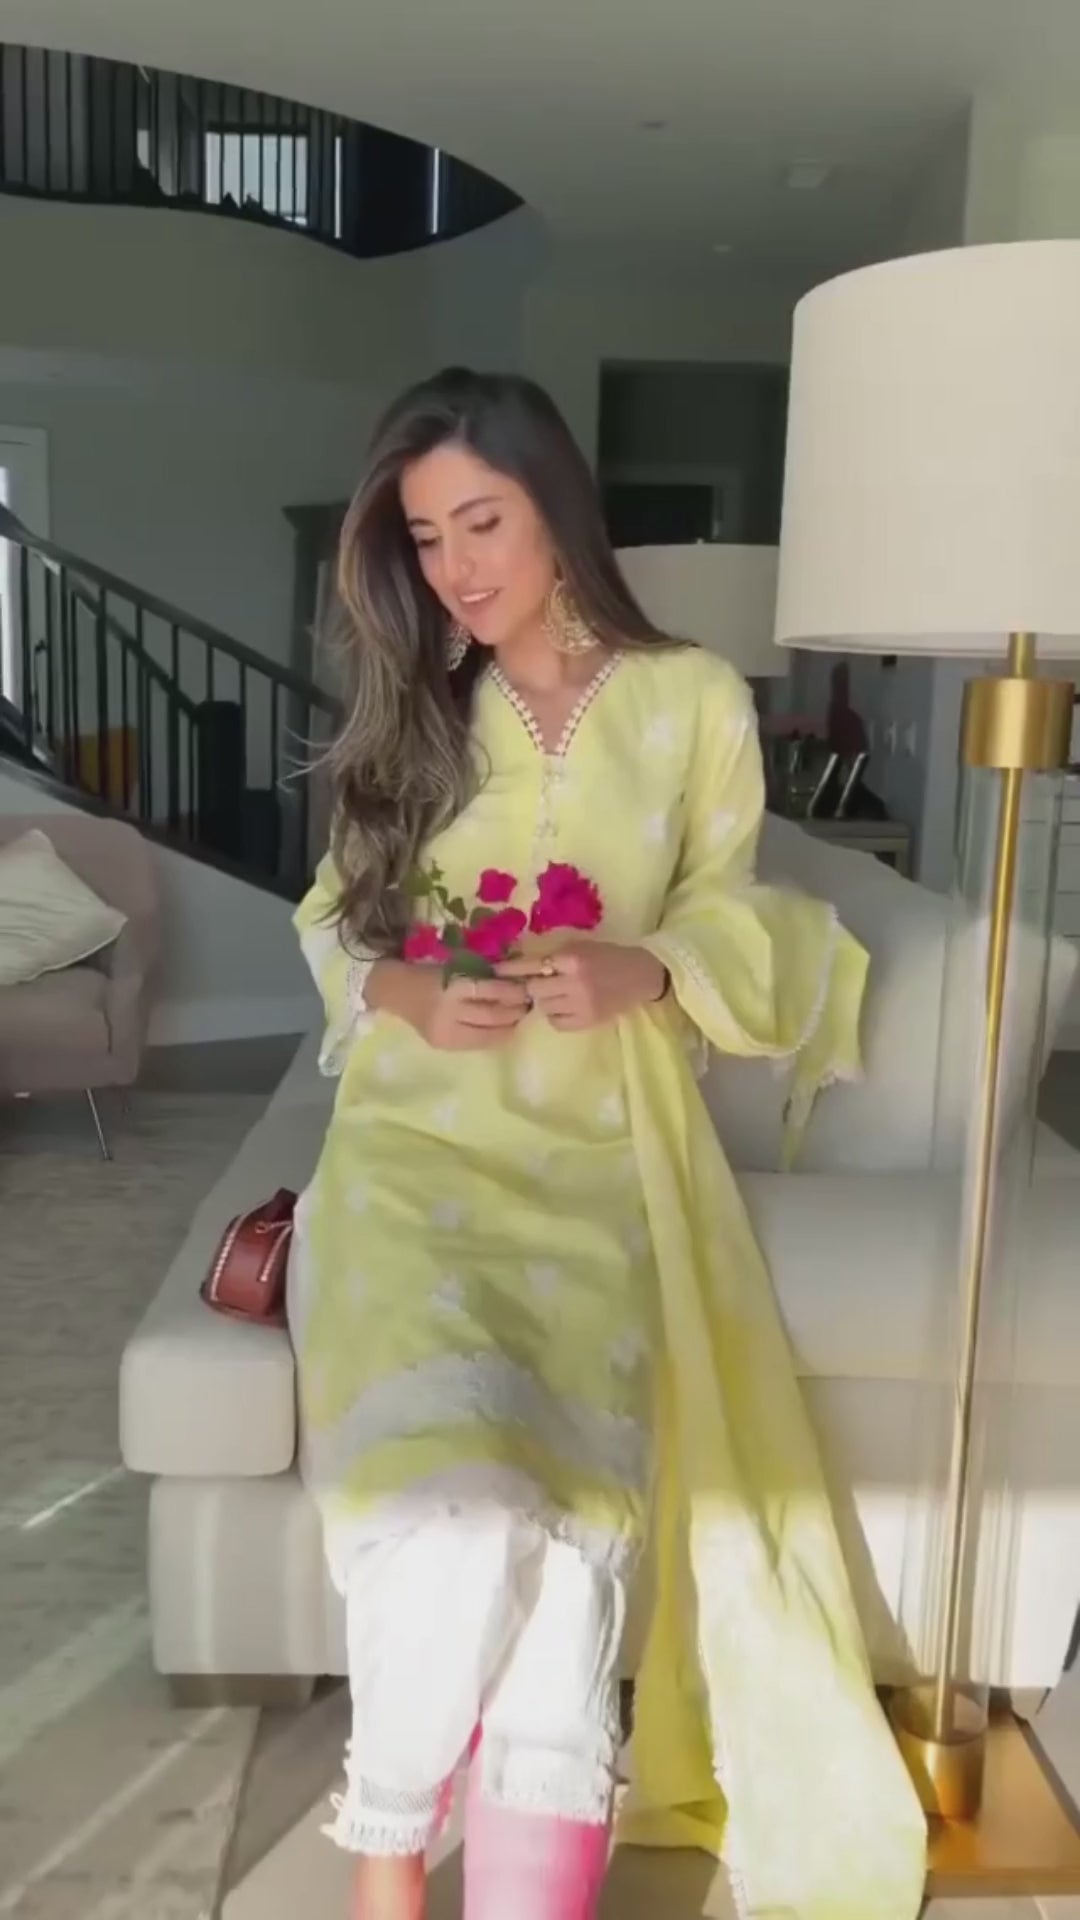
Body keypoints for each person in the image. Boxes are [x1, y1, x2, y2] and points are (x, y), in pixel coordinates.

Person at [290, 368, 926, 1920]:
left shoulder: (693, 699)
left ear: (557, 508)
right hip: (411, 1159)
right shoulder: (417, 708)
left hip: (596, 1170)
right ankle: (388, 1869)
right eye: (426, 537)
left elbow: (734, 906)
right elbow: (333, 919)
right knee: (450, 1508)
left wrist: (648, 969)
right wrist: (405, 990)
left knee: (572, 1544)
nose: (455, 568)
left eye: (482, 522)